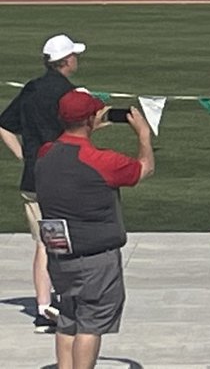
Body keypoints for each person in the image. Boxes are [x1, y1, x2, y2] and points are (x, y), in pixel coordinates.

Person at [35, 90, 154, 369]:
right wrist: (144, 136)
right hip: (95, 258)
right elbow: (144, 168)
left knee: (68, 318)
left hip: (60, 254)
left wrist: (87, 125)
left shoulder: (45, 153)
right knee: (91, 324)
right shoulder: (102, 161)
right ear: (90, 119)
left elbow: (70, 147)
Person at [0, 34, 84, 328]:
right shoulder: (70, 94)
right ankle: (66, 300)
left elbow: (4, 125)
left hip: (33, 176)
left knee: (42, 242)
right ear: (66, 61)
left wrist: (25, 156)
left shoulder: (31, 89)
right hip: (61, 176)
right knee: (65, 240)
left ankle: (43, 305)